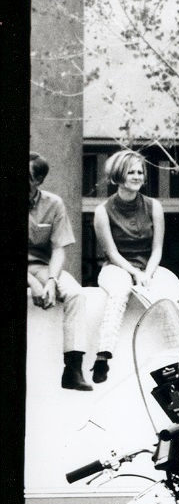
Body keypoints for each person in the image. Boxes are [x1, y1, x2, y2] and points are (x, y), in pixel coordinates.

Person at [91, 150, 179, 381]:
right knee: (120, 289)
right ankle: (103, 355)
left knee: (172, 293)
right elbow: (112, 253)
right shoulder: (102, 211)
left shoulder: (154, 206)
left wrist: (148, 273)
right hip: (117, 267)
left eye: (139, 172)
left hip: (149, 265)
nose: (136, 176)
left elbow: (157, 249)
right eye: (130, 171)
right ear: (118, 175)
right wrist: (134, 273)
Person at [28, 152, 94, 390]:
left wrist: (52, 281)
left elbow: (58, 248)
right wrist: (33, 284)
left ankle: (73, 369)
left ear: (39, 180)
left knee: (76, 293)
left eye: (28, 176)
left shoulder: (53, 204)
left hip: (41, 266)